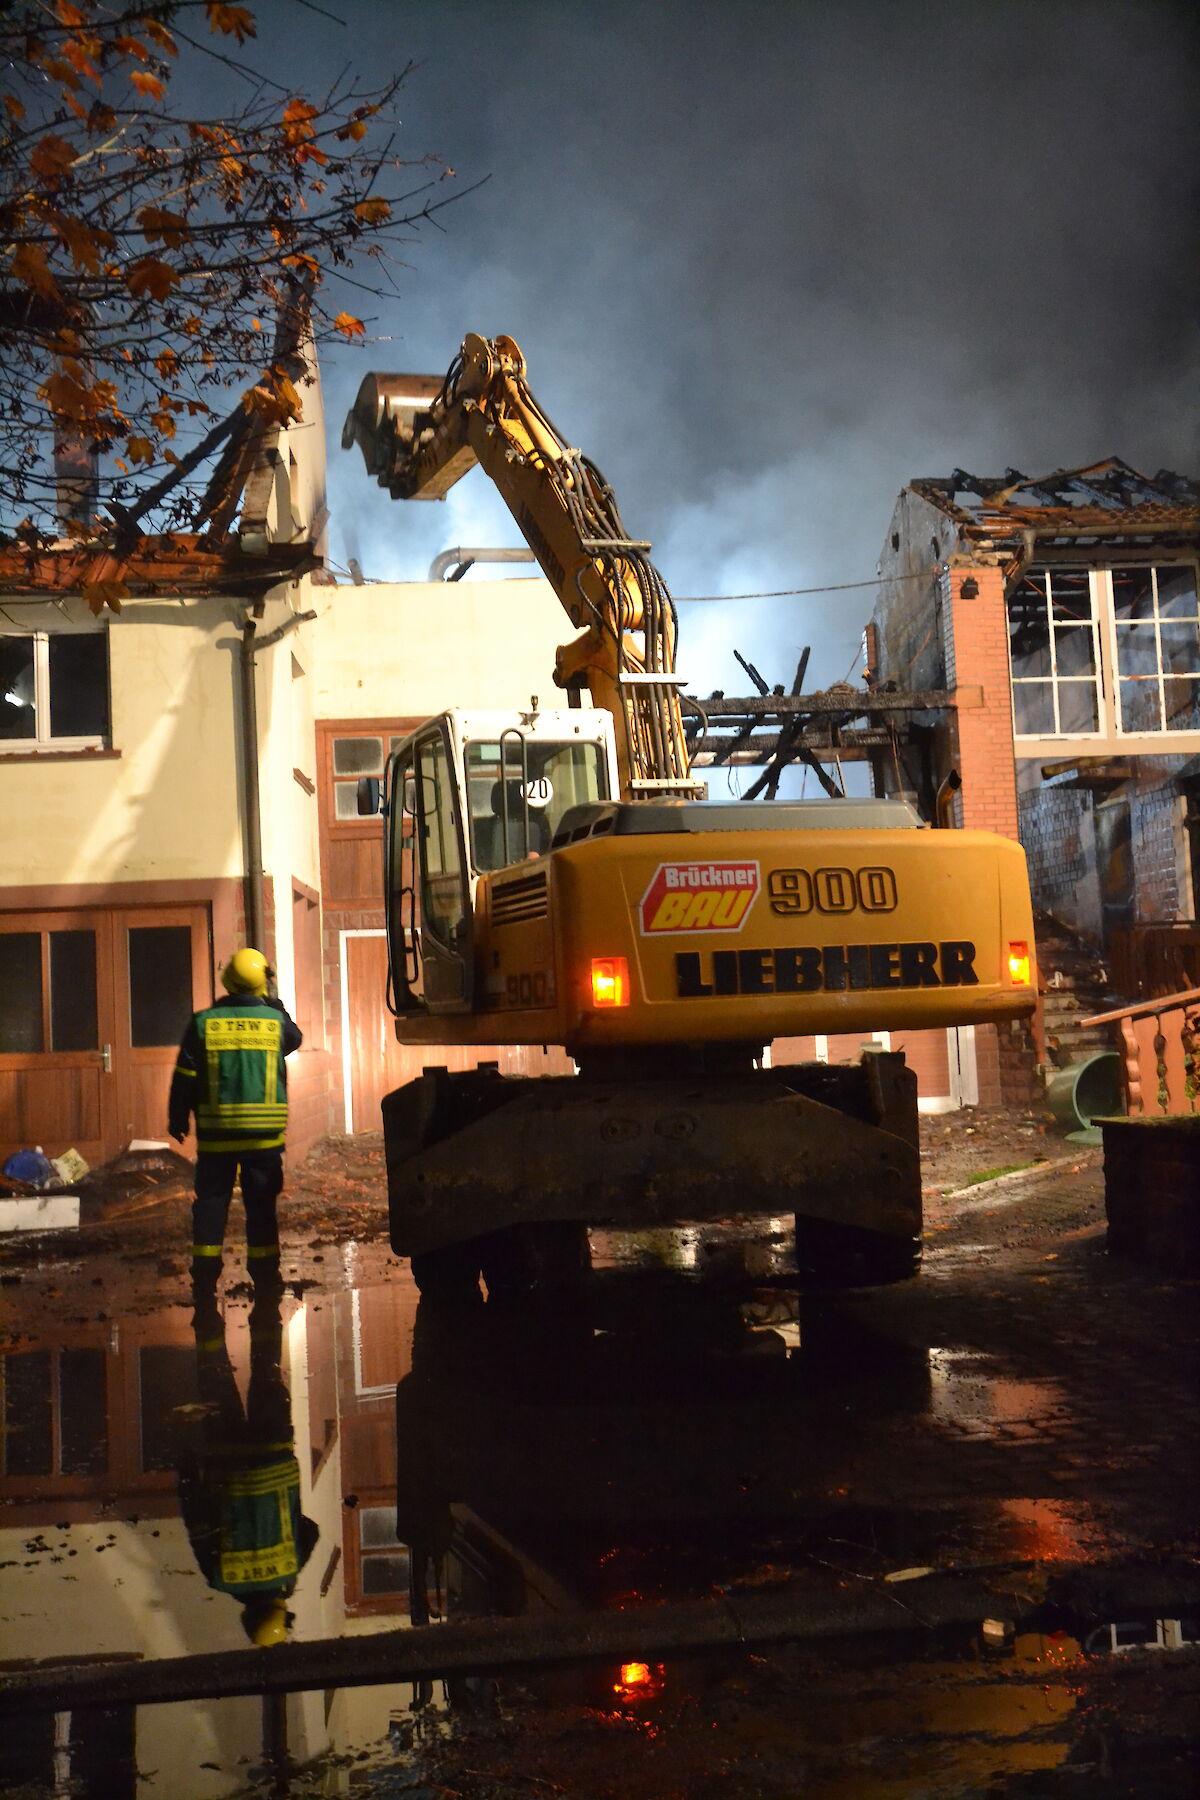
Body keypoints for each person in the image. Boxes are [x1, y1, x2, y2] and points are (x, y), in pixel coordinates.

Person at [178, 1290, 318, 1646]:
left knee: (267, 1368)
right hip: (225, 1459)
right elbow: (196, 1517)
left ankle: (267, 1301)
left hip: (273, 1449)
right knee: (215, 1374)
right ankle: (205, 1305)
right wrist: (185, 1466)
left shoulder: (291, 1568)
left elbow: (310, 1530)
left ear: (278, 1610)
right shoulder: (220, 1577)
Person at [169, 948, 302, 1297]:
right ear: (262, 983)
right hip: (263, 1140)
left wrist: (177, 1118)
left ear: (227, 981)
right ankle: (266, 1278)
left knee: (211, 1205)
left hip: (217, 1137)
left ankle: (205, 1278)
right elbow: (295, 1039)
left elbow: (184, 1075)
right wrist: (275, 1006)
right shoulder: (274, 1023)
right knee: (261, 1207)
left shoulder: (203, 1021)